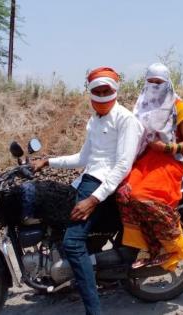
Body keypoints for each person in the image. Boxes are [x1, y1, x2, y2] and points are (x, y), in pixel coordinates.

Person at [31, 67, 144, 315]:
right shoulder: (94, 120)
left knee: (72, 243)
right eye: (97, 91)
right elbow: (83, 158)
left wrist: (93, 199)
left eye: (107, 90)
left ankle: (94, 310)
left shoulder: (126, 120)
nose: (102, 95)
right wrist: (47, 162)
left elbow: (123, 165)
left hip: (104, 186)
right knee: (50, 213)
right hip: (87, 179)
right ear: (90, 92)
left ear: (115, 91)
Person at [116, 63, 183, 270]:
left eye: (159, 82)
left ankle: (171, 245)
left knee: (142, 195)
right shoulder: (142, 105)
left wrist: (167, 147)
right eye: (151, 82)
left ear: (167, 83)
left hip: (169, 161)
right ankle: (148, 247)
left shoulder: (178, 107)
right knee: (123, 193)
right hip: (145, 160)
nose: (154, 86)